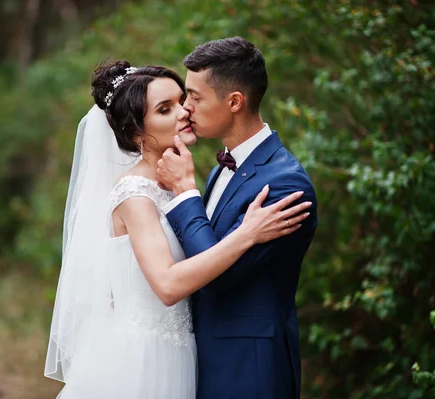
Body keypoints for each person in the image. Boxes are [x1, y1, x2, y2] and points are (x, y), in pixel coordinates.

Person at [44, 60, 312, 398]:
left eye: (183, 99)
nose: (184, 111)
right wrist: (247, 234)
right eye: (165, 109)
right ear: (136, 133)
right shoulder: (134, 193)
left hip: (183, 355)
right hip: (142, 359)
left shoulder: (176, 184)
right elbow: (168, 285)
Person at [157, 37, 318, 399]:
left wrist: (184, 191)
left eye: (195, 98)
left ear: (234, 102)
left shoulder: (285, 184)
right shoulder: (223, 169)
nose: (185, 108)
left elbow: (216, 276)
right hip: (204, 360)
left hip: (250, 369)